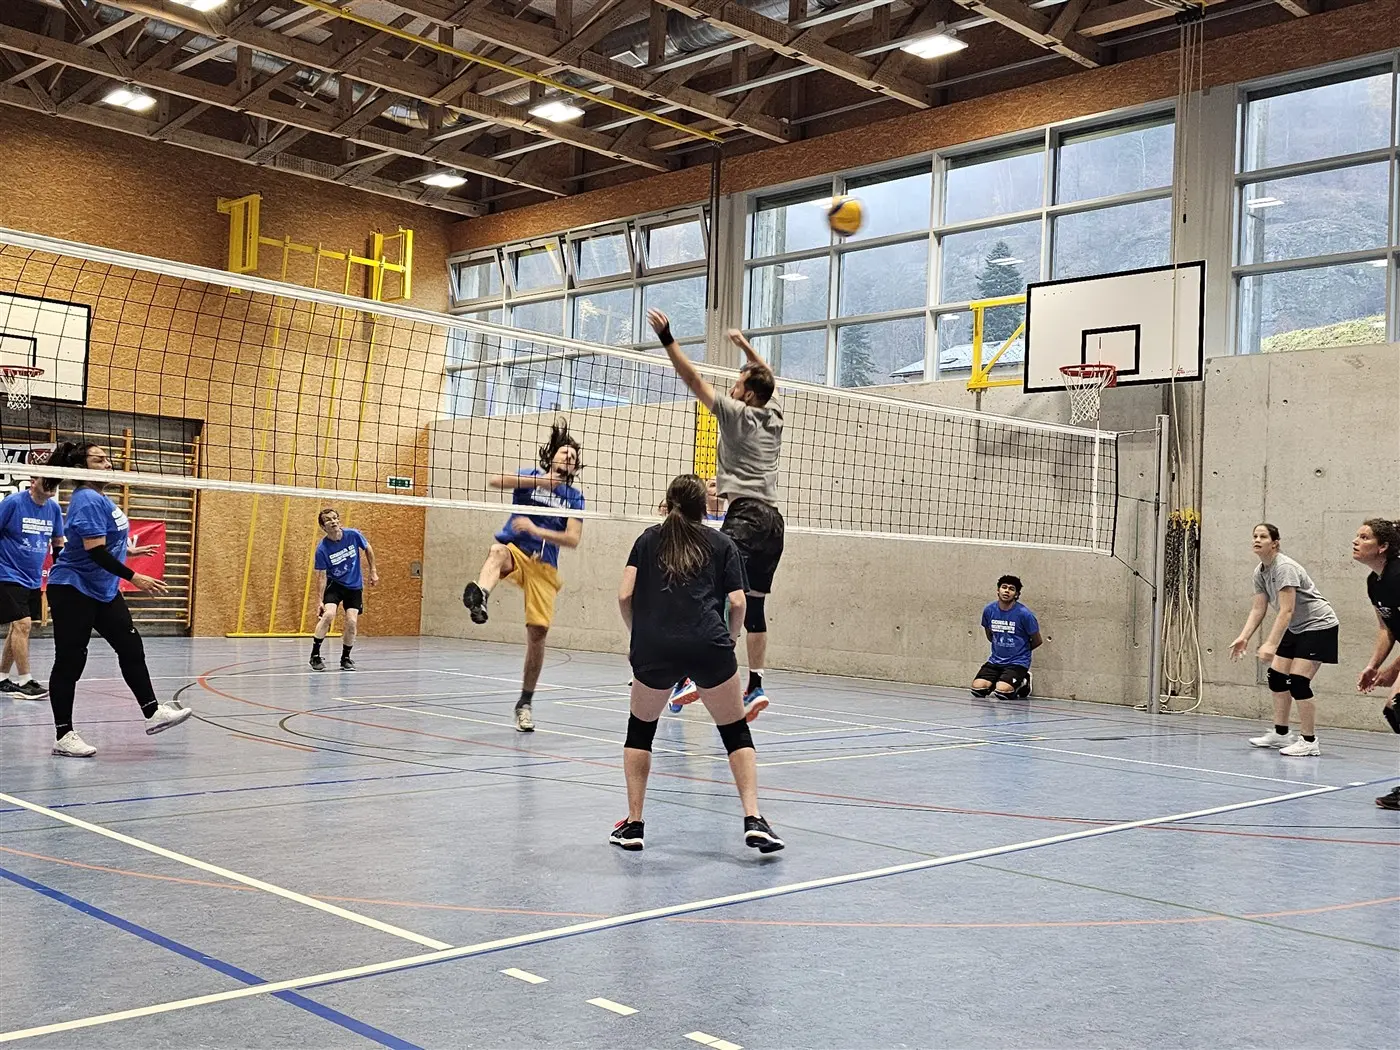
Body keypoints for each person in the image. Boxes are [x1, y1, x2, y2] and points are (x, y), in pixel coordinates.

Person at [611, 473, 784, 854]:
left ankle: (634, 824)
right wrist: (731, 640)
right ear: (703, 508)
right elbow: (739, 603)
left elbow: (625, 596)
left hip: (654, 647)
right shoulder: (722, 543)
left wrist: (637, 635)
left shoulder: (647, 539)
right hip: (709, 644)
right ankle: (753, 818)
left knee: (641, 731)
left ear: (667, 503)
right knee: (735, 732)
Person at [649, 309, 783, 722]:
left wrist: (668, 338)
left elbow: (691, 380)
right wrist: (744, 348)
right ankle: (756, 684)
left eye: (738, 383)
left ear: (747, 395)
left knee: (710, 591)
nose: (733, 385)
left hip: (743, 516)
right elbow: (767, 374)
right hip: (774, 524)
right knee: (754, 606)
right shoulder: (774, 414)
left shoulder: (736, 413)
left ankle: (692, 674)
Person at [43, 440, 189, 758]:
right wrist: (133, 575)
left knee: (130, 646)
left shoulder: (101, 497)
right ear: (82, 469)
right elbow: (95, 551)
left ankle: (152, 711)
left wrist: (130, 550)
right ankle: (64, 735)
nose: (109, 464)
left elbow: (102, 540)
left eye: (107, 459)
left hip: (102, 589)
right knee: (70, 661)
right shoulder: (86, 499)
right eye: (100, 460)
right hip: (73, 589)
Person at [462, 420, 584, 733]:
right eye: (563, 454)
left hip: (543, 565)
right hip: (515, 551)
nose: (568, 459)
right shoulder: (529, 477)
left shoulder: (574, 497)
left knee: (538, 634)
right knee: (497, 551)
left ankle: (524, 702)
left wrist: (536, 529)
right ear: (551, 458)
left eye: (572, 457)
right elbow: (495, 481)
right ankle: (481, 597)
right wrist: (541, 485)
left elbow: (572, 539)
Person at [1230, 523, 1339, 757]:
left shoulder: (1285, 568)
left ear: (1275, 543)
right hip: (1298, 626)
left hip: (1319, 625)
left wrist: (1270, 643)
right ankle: (1281, 734)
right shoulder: (1260, 571)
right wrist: (1244, 637)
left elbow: (1286, 610)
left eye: (1263, 536)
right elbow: (1258, 609)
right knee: (1277, 678)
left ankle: (1309, 741)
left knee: (1299, 682)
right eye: (1254, 536)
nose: (1257, 540)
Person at [0, 475, 65, 699]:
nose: (51, 487)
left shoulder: (54, 509)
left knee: (17, 627)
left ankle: (1, 677)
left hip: (33, 578)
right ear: (33, 481)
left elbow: (58, 542)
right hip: (7, 573)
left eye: (55, 483)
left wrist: (60, 570)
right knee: (23, 624)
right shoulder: (13, 503)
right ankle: (25, 681)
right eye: (46, 481)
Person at [1352, 517, 1400, 808]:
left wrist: (1392, 670)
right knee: (1395, 712)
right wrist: (1373, 666)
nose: (1356, 541)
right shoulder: (1375, 582)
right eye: (1356, 536)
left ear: (1382, 547)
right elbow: (1387, 629)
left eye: (1365, 537)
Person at [310, 508, 378, 671]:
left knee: (352, 621)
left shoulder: (353, 535)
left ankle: (345, 658)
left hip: (354, 586)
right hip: (335, 586)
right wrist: (319, 600)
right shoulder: (322, 549)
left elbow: (368, 548)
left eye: (335, 518)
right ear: (323, 526)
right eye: (328, 520)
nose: (333, 521)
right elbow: (322, 576)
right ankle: (315, 655)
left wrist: (373, 571)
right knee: (328, 615)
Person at [971, 575, 1043, 699]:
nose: (1006, 591)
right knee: (978, 689)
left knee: (1003, 693)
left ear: (1016, 594)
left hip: (1017, 662)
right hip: (995, 661)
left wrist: (1021, 651)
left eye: (1011, 589)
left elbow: (1037, 640)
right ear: (998, 590)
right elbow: (989, 634)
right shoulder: (989, 610)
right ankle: (999, 680)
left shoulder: (1025, 614)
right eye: (1004, 587)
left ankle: (1023, 681)